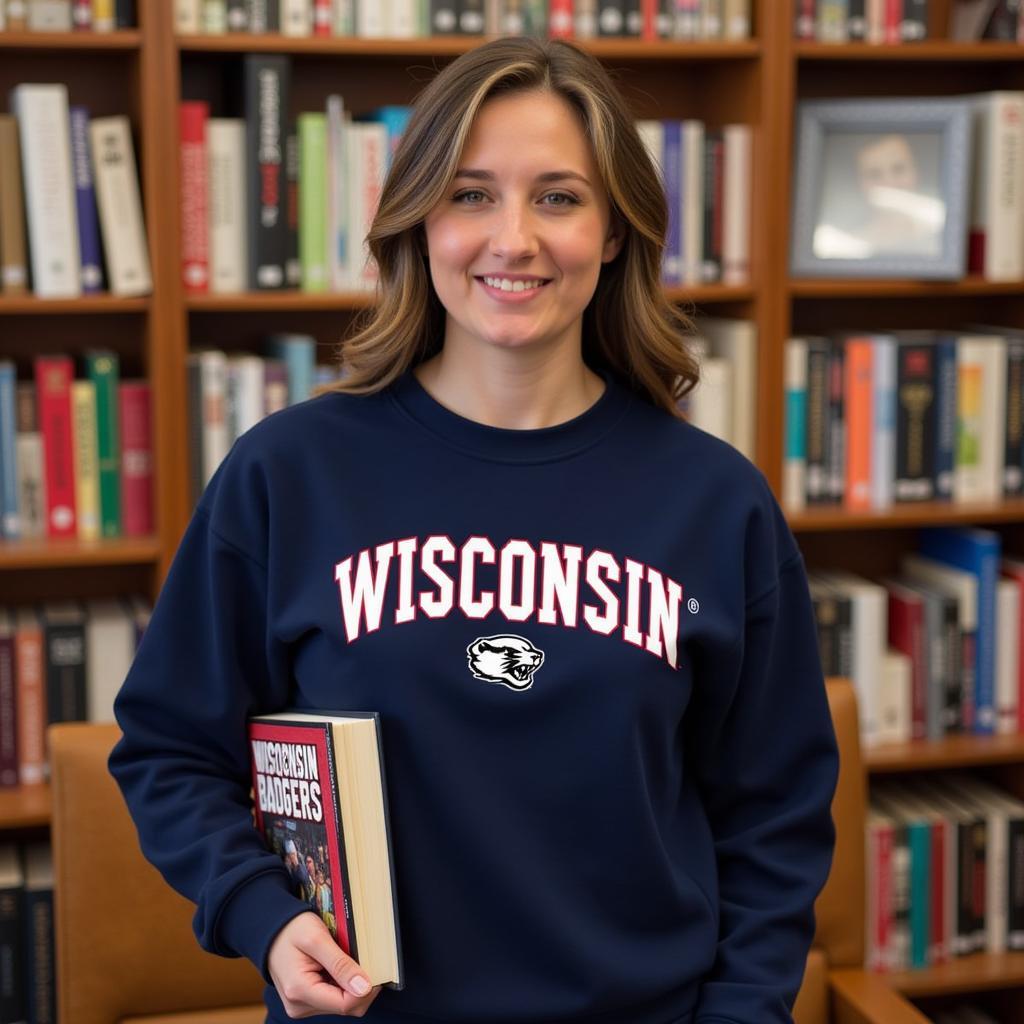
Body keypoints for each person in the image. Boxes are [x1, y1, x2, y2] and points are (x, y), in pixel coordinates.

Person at [109, 35, 839, 1024]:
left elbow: (774, 816)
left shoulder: (715, 502)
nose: (513, 239)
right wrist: (262, 916)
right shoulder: (289, 474)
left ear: (615, 230)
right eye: (470, 193)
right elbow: (167, 746)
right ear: (417, 220)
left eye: (557, 196)